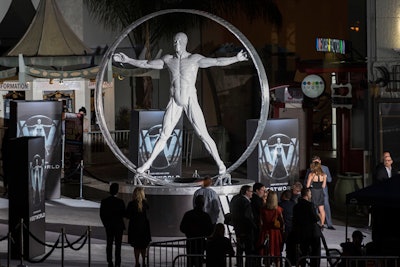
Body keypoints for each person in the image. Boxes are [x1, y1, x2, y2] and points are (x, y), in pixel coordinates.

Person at [113, 32, 248, 181]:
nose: (175, 44)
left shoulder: (194, 59)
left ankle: (221, 166)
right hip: (174, 101)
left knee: (203, 135)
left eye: (178, 42)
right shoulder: (168, 60)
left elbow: (216, 62)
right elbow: (146, 64)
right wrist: (128, 60)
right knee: (164, 134)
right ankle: (146, 165)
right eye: (174, 42)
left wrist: (236, 58)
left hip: (190, 100)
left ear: (184, 42)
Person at [180, 194, 214, 267]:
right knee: (199, 261)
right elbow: (210, 230)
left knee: (190, 261)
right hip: (200, 242)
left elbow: (182, 228)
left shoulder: (188, 214)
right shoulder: (205, 216)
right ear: (203, 204)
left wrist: (189, 233)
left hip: (190, 241)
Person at [292, 187, 321, 267]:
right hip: (311, 233)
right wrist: (318, 216)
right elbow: (314, 218)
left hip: (301, 233)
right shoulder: (309, 205)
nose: (311, 195)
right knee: (315, 253)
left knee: (303, 253)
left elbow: (295, 220)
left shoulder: (296, 206)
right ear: (307, 194)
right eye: (310, 194)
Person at [229, 185, 257, 267]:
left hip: (238, 229)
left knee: (240, 248)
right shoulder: (245, 202)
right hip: (246, 230)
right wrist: (254, 226)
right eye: (251, 191)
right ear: (247, 192)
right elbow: (247, 217)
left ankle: (239, 263)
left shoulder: (236, 200)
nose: (252, 193)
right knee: (248, 249)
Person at [305, 155, 335, 230]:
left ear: (320, 162)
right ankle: (318, 223)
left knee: (326, 206)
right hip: (315, 191)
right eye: (314, 162)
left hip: (322, 191)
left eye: (317, 162)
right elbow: (306, 181)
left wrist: (323, 177)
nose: (315, 164)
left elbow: (330, 179)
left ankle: (329, 224)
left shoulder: (325, 168)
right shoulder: (310, 170)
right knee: (315, 208)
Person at [100, 183, 126, 267]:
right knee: (118, 245)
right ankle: (118, 261)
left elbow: (102, 214)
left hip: (109, 226)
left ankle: (109, 261)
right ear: (117, 191)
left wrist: (105, 224)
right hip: (118, 226)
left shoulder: (104, 201)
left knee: (109, 243)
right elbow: (124, 214)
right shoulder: (120, 202)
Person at [126, 186, 152, 267]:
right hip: (144, 227)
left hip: (134, 228)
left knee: (136, 246)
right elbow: (148, 215)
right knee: (143, 246)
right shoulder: (145, 204)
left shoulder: (131, 204)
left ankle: (137, 262)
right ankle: (144, 261)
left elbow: (127, 215)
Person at [258, 190, 284, 267]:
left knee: (266, 254)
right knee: (277, 253)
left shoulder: (263, 209)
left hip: (265, 231)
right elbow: (282, 222)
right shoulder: (278, 209)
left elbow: (260, 222)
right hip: (275, 233)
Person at [306, 161, 327, 229]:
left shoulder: (311, 174)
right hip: (320, 192)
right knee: (322, 209)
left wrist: (312, 184)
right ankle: (322, 224)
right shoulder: (324, 175)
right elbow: (324, 186)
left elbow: (307, 185)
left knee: (313, 209)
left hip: (314, 192)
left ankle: (313, 223)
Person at [250, 182, 266, 252]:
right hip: (256, 225)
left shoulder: (255, 198)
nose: (264, 192)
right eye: (262, 190)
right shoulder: (256, 200)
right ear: (257, 190)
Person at [1, 128, 10, 197]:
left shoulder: (8, 131)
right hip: (7, 156)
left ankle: (5, 189)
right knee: (7, 174)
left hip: (6, 156)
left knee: (6, 174)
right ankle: (6, 189)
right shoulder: (9, 131)